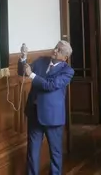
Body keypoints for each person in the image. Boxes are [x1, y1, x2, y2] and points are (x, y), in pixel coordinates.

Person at [18, 41, 75, 175]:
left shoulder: (67, 71)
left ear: (65, 57)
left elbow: (50, 85)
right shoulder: (41, 61)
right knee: (32, 151)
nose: (55, 50)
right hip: (34, 113)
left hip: (53, 117)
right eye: (56, 47)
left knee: (55, 153)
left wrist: (32, 75)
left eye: (59, 50)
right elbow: (23, 71)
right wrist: (23, 57)